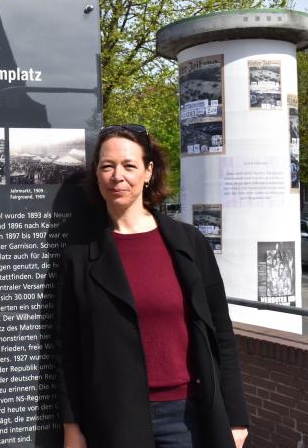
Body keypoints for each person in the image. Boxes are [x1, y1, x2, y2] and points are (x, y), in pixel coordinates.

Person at [56, 125, 249, 448]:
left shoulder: (189, 244)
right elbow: (69, 351)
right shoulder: (78, 256)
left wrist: (236, 419)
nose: (118, 175)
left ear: (148, 172)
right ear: (97, 174)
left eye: (129, 165)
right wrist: (72, 428)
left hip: (188, 418)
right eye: (107, 166)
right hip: (114, 418)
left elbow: (221, 336)